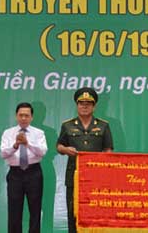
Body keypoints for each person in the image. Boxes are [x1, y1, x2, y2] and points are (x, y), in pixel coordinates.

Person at [56, 87, 113, 233]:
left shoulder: (103, 125)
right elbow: (59, 146)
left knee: (95, 212)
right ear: (76, 105)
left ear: (94, 106)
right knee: (73, 212)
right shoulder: (67, 125)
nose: (84, 106)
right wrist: (66, 150)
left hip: (96, 177)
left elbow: (108, 150)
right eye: (81, 103)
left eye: (88, 103)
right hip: (74, 176)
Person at [0, 102, 48, 233]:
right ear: (16, 116)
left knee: (35, 210)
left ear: (32, 117)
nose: (23, 118)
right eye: (21, 115)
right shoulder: (8, 133)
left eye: (26, 115)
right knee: (14, 210)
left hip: (34, 173)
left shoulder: (39, 133)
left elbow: (42, 152)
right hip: (15, 174)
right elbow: (3, 153)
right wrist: (15, 145)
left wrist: (28, 143)